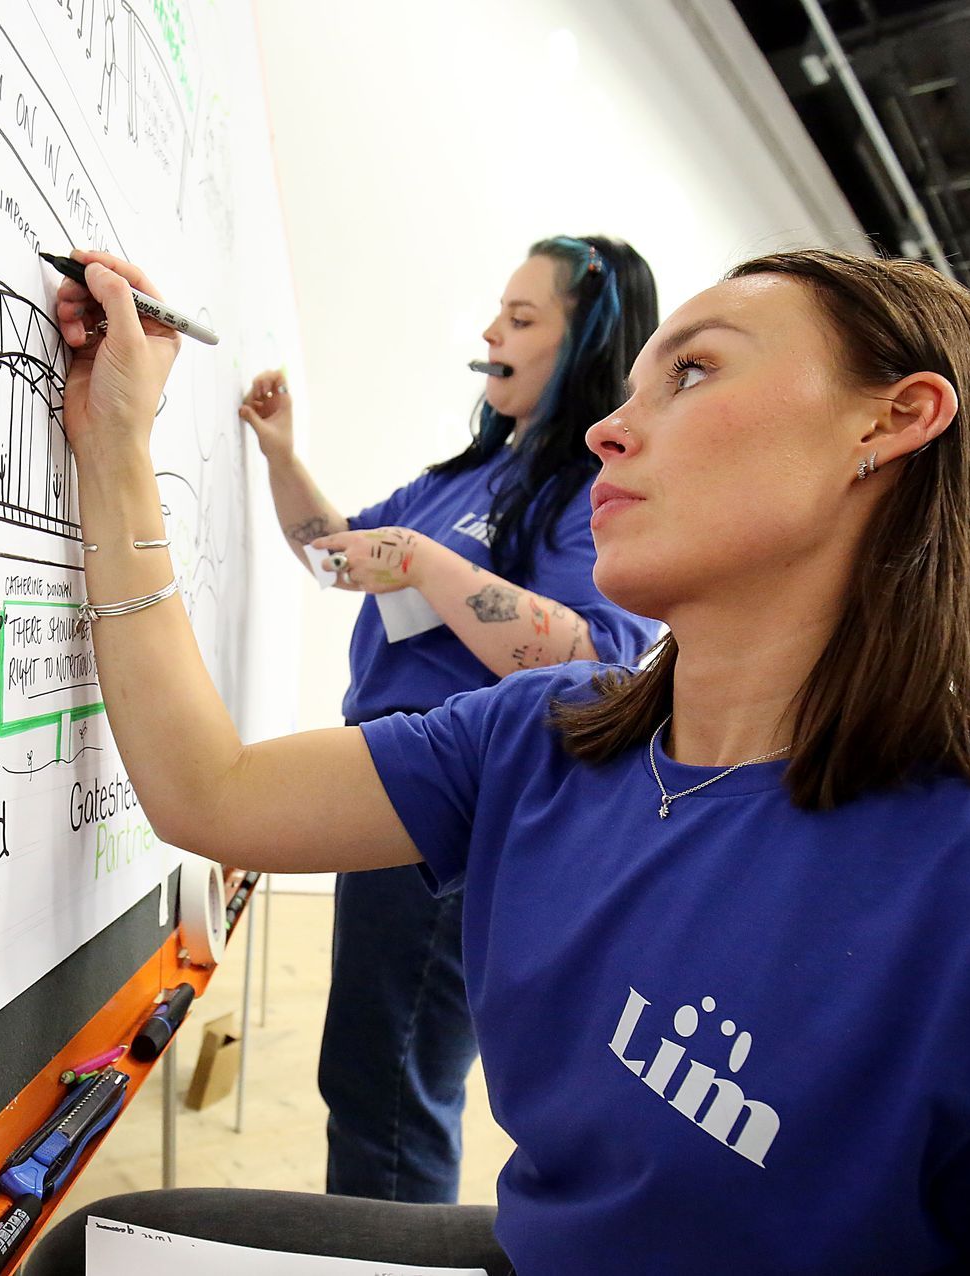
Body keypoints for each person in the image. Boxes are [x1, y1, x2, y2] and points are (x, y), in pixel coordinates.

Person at [29, 247, 970, 1272]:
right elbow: (211, 789)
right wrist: (116, 442)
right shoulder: (542, 736)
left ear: (892, 418)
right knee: (110, 1246)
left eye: (696, 370)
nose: (614, 425)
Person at [236, 235, 664, 1204]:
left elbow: (595, 661)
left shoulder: (592, 493)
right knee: (372, 1075)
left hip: (455, 815)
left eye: (521, 318)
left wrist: (428, 564)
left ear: (588, 339)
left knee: (391, 1087)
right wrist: (281, 454)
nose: (489, 333)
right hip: (383, 790)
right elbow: (332, 557)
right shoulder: (459, 479)